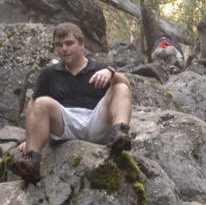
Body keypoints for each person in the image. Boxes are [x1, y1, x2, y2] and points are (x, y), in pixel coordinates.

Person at [11, 21, 133, 184]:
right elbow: (33, 107)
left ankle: (121, 135)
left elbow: (126, 85)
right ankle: (32, 162)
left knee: (120, 88)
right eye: (59, 45)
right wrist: (30, 138)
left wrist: (111, 73)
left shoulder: (100, 68)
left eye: (69, 43)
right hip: (65, 125)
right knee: (41, 102)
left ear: (81, 44)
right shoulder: (49, 73)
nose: (64, 49)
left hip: (96, 122)